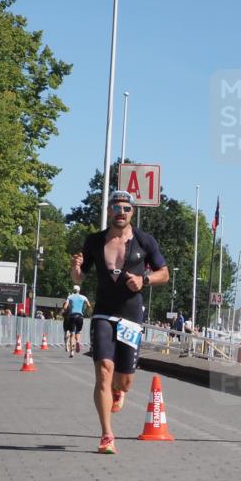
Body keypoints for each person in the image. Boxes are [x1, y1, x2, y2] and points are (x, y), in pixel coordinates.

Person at [70, 190, 169, 455]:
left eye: (126, 208)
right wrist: (75, 268)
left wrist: (144, 280)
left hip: (131, 317)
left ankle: (119, 390)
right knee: (103, 369)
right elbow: (80, 279)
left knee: (124, 381)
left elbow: (164, 273)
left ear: (132, 212)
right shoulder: (94, 241)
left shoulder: (145, 241)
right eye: (116, 207)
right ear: (109, 211)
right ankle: (106, 435)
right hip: (103, 312)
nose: (121, 212)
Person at [62, 285, 91, 357]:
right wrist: (84, 311)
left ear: (73, 290)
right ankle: (78, 341)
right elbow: (89, 305)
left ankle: (72, 352)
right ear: (79, 290)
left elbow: (65, 307)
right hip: (80, 316)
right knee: (78, 332)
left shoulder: (70, 297)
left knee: (72, 334)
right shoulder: (83, 297)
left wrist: (69, 309)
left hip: (72, 316)